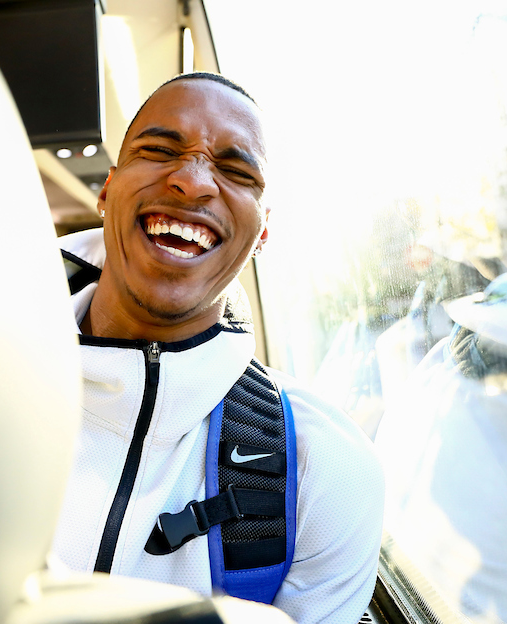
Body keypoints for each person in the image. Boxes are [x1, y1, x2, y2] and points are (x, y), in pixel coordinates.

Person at [51, 72, 384, 624]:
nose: (192, 181)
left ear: (263, 233)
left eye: (234, 170)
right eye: (159, 150)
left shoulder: (326, 469)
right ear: (107, 190)